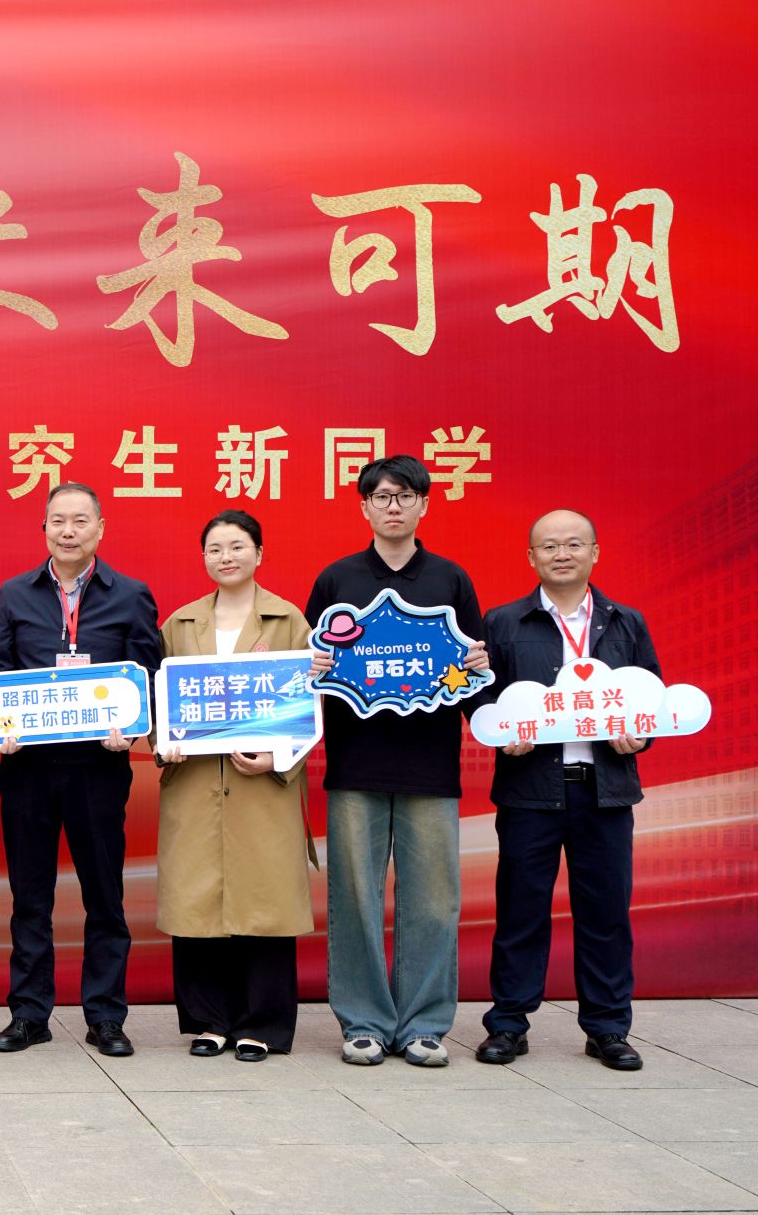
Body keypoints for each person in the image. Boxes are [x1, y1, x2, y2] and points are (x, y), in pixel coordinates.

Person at [305, 455, 486, 1067]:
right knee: (354, 898)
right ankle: (363, 1021)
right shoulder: (337, 580)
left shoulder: (451, 580)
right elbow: (307, 674)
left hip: (430, 768)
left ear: (424, 505)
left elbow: (472, 671)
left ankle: (425, 1025)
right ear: (364, 507)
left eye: (405, 495)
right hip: (355, 766)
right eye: (381, 496)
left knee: (433, 900)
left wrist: (481, 677)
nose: (393, 506)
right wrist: (312, 668)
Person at [0, 482, 162, 1058]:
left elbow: (149, 678)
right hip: (29, 771)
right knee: (29, 897)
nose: (68, 531)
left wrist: (132, 728)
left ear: (100, 529)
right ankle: (29, 1014)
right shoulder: (14, 594)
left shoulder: (130, 595)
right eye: (57, 520)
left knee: (104, 896)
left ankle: (105, 1017)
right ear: (44, 529)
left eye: (80, 520)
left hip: (99, 768)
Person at [474, 510, 657, 1071]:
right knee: (520, 910)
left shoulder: (625, 622)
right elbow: (479, 694)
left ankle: (608, 1028)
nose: (562, 554)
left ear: (595, 553)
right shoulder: (504, 622)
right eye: (549, 546)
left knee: (605, 912)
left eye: (574, 544)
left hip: (606, 791)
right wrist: (500, 732)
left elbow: (650, 697)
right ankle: (508, 1024)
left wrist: (640, 736)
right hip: (530, 790)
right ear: (531, 557)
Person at [153, 510, 315, 1062]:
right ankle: (209, 1020)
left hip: (262, 786)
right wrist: (163, 743)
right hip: (195, 784)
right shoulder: (180, 624)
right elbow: (161, 702)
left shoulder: (289, 620)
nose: (227, 557)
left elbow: (312, 704)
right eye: (215, 548)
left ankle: (262, 1024)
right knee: (198, 904)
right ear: (203, 558)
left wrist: (278, 757)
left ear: (259, 553)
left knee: (264, 904)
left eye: (238, 546)